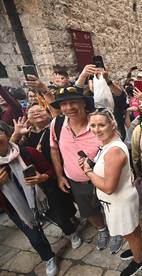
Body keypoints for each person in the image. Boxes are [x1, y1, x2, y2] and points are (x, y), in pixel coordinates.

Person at [49, 86, 122, 253]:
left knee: (112, 208)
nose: (69, 108)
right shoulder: (57, 124)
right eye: (64, 104)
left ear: (83, 103)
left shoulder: (97, 123)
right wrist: (60, 176)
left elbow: (116, 147)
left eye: (73, 102)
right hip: (77, 181)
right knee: (89, 211)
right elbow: (54, 149)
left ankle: (117, 232)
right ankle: (102, 231)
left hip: (104, 180)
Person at [80, 109, 142, 276]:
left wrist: (88, 172)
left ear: (112, 124)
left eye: (101, 125)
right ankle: (136, 249)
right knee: (133, 230)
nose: (96, 129)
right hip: (122, 199)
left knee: (129, 233)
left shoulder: (114, 151)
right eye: (93, 125)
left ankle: (139, 260)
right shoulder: (109, 144)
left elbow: (109, 187)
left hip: (119, 202)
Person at [11, 104, 81, 248]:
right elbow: (7, 151)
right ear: (27, 117)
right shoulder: (26, 135)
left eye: (40, 110)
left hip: (65, 170)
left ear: (48, 112)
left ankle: (76, 216)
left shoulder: (57, 127)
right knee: (56, 208)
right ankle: (71, 232)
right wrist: (18, 135)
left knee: (72, 199)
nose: (36, 113)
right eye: (32, 112)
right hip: (43, 178)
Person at [0, 121, 58, 276]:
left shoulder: (27, 153)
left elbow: (50, 170)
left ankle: (72, 231)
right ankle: (48, 257)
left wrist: (43, 177)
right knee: (34, 236)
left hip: (41, 198)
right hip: (15, 207)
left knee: (62, 219)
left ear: (6, 134)